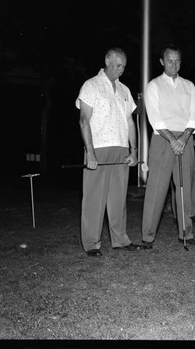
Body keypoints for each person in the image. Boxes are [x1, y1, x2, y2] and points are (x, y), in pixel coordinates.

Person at [76, 47, 139, 257]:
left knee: (118, 199)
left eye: (123, 66)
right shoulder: (91, 85)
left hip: (121, 149)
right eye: (117, 65)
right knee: (94, 198)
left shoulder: (124, 90)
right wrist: (90, 153)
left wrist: (134, 150)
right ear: (107, 60)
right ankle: (91, 244)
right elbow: (84, 120)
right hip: (99, 148)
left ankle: (120, 240)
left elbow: (131, 122)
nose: (121, 69)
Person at [140, 44, 195, 248]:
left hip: (185, 138)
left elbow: (194, 116)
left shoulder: (189, 85)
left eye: (177, 61)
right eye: (169, 60)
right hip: (162, 139)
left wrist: (184, 138)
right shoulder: (154, 85)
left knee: (185, 187)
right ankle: (148, 236)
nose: (174, 64)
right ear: (161, 61)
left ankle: (186, 233)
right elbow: (155, 118)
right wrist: (173, 140)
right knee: (156, 188)